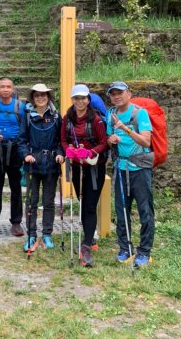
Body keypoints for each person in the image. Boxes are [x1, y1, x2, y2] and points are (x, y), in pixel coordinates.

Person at [106, 81, 154, 267]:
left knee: (145, 211)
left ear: (129, 93)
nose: (116, 96)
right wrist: (112, 139)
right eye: (113, 94)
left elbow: (146, 142)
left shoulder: (139, 113)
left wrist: (125, 129)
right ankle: (125, 248)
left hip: (140, 168)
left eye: (120, 93)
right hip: (121, 167)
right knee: (121, 210)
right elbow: (110, 139)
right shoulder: (111, 114)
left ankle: (144, 250)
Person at [61, 84, 108, 266]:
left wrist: (90, 152)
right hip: (77, 167)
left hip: (94, 168)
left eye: (83, 98)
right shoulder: (68, 119)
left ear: (88, 100)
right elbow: (63, 140)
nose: (80, 101)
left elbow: (104, 143)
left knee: (90, 205)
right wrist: (69, 151)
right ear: (72, 100)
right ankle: (89, 238)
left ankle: (87, 245)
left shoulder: (95, 120)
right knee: (82, 203)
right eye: (76, 98)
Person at [17, 83, 63, 251]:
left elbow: (61, 140)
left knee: (48, 201)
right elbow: (21, 139)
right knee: (31, 201)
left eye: (44, 95)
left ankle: (47, 234)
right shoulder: (28, 115)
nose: (41, 98)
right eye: (37, 95)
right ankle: (31, 235)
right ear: (33, 98)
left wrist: (60, 153)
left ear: (48, 97)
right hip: (32, 163)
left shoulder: (56, 116)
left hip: (51, 163)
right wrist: (25, 154)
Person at [0, 77, 25, 239]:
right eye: (2, 87)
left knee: (16, 188)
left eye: (8, 87)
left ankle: (16, 222)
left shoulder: (20, 107)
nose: (6, 89)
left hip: (16, 150)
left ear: (13, 89)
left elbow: (25, 128)